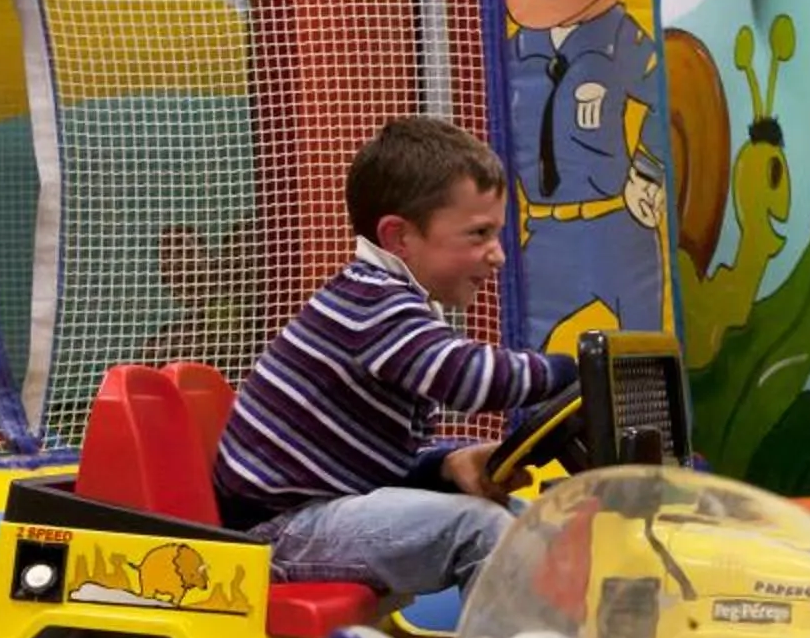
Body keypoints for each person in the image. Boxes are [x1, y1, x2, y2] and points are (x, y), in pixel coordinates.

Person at [212, 117, 578, 598]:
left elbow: (387, 456)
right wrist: (571, 369)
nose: (497, 255)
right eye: (478, 234)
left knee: (527, 527)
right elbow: (468, 379)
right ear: (399, 238)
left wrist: (448, 465)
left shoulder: (393, 305)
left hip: (322, 512)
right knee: (482, 531)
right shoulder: (371, 303)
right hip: (279, 532)